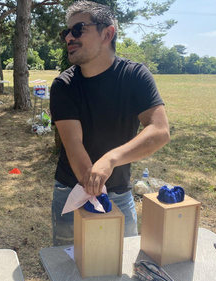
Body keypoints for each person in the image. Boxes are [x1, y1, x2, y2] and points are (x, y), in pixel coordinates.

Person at [50, 1, 170, 246]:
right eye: (66, 32)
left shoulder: (135, 76)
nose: (68, 38)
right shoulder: (64, 85)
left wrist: (110, 159)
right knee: (65, 269)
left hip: (119, 193)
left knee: (120, 271)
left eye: (78, 29)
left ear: (107, 33)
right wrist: (94, 185)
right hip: (70, 192)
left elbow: (159, 131)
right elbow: (74, 146)